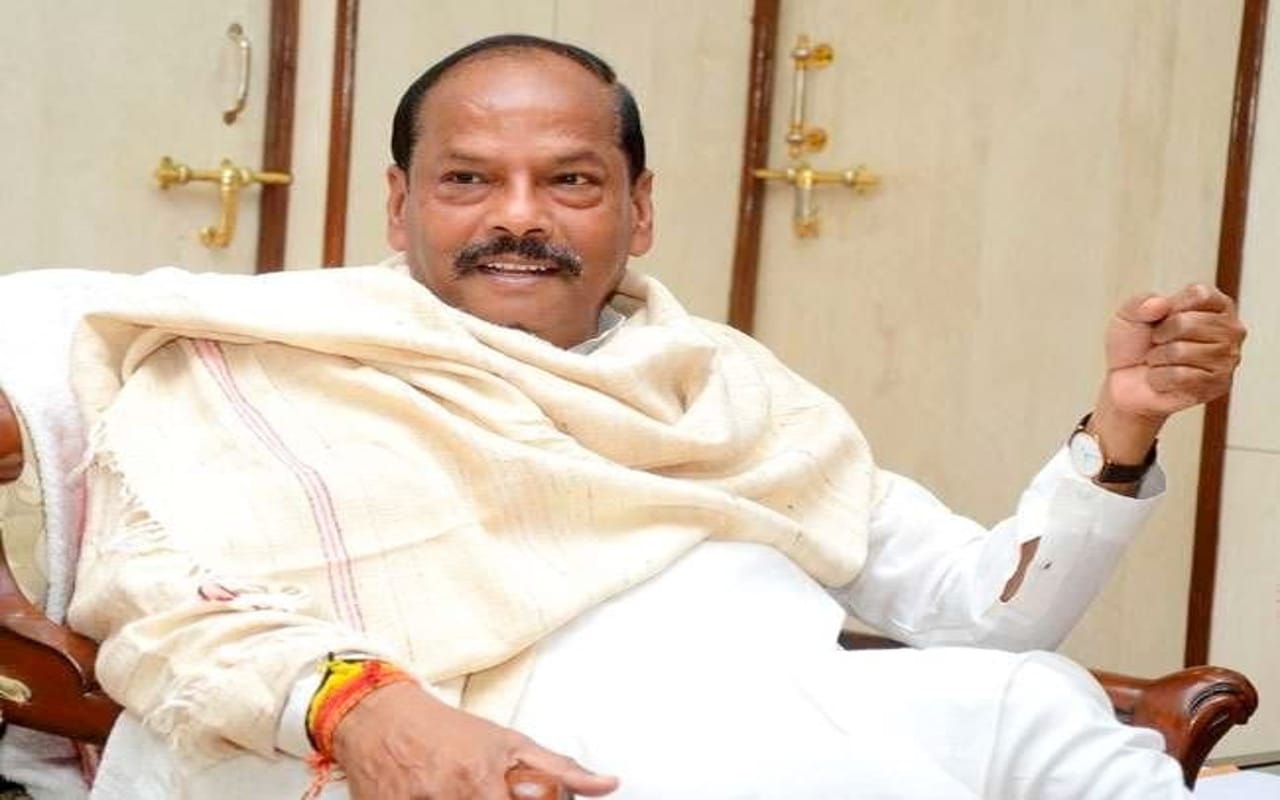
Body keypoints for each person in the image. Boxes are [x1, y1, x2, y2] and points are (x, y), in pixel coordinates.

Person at [63, 34, 1245, 800]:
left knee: (1024, 701)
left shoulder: (724, 386)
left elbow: (981, 617)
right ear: (399, 203)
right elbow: (162, 606)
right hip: (545, 755)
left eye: (569, 180)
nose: (515, 217)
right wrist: (364, 707)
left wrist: (1119, 426)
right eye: (466, 178)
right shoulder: (263, 363)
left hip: (807, 722)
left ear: (636, 210)